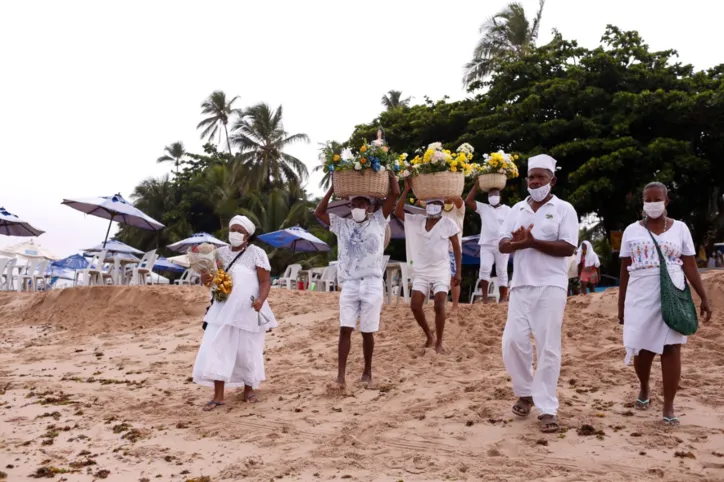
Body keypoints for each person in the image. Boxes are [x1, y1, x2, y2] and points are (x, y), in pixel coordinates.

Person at [617, 182, 712, 425]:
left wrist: (703, 296)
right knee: (643, 349)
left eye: (657, 199)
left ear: (666, 201)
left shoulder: (680, 229)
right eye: (647, 199)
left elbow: (689, 264)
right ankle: (644, 386)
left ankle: (668, 405)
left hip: (672, 292)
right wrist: (621, 305)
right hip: (640, 295)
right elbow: (624, 271)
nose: (652, 203)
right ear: (642, 203)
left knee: (671, 347)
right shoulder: (631, 231)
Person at [499, 154, 578, 433]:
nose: (534, 181)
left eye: (541, 177)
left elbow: (568, 247)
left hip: (551, 285)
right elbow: (502, 244)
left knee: (547, 347)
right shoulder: (517, 208)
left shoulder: (564, 209)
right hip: (520, 285)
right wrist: (516, 243)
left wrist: (533, 242)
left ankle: (547, 408)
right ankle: (525, 391)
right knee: (511, 343)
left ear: (552, 180)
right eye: (531, 177)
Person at [315, 171, 399, 389]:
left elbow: (394, 195)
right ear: (349, 207)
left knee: (367, 331)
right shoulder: (342, 225)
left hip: (371, 283)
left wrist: (391, 175)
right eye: (354, 204)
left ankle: (367, 371)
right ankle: (340, 376)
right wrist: (333, 188)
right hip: (350, 284)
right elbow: (319, 212)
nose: (358, 208)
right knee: (345, 329)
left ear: (370, 207)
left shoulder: (380, 221)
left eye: (362, 204)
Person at [193, 215, 278, 410]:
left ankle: (249, 390)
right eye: (233, 230)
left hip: (247, 309)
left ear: (247, 235)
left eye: (240, 231)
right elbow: (211, 282)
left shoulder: (257, 253)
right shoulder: (219, 253)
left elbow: (265, 281)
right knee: (218, 347)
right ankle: (218, 395)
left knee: (247, 350)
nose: (236, 234)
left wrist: (260, 300)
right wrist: (205, 277)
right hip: (222, 309)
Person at [397, 181, 462, 354]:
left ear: (442, 206)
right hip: (422, 270)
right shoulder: (417, 220)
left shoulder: (448, 223)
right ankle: (429, 335)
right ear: (426, 205)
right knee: (415, 305)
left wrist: (458, 273)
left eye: (437, 204)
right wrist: (406, 190)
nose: (433, 207)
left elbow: (456, 247)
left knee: (439, 304)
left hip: (441, 269)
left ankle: (439, 341)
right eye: (430, 203)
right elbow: (398, 211)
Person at [465, 183, 512, 303]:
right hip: (486, 244)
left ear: (500, 196)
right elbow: (468, 200)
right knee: (485, 268)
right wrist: (477, 185)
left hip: (502, 245)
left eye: (495, 194)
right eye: (490, 194)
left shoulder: (508, 210)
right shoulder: (484, 208)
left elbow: (513, 225)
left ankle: (502, 298)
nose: (493, 196)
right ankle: (485, 298)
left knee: (502, 270)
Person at [442, 196, 465, 311]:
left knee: (454, 279)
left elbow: (459, 199)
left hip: (453, 250)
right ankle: (443, 304)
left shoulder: (458, 210)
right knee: (440, 278)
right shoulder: (439, 210)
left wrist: (448, 192)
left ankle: (455, 306)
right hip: (440, 249)